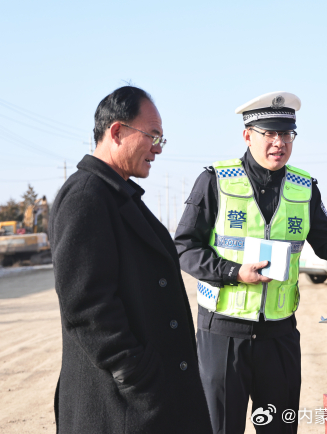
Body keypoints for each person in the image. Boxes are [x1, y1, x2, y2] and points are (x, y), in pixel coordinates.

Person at [175, 91, 327, 434]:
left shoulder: (304, 187)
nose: (279, 142)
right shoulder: (214, 181)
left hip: (278, 337)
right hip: (222, 333)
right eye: (270, 133)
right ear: (248, 135)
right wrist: (233, 273)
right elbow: (185, 247)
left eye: (287, 134)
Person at [49, 86, 211, 433]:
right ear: (117, 131)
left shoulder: (119, 194)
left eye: (162, 139)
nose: (157, 148)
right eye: (152, 135)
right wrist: (138, 376)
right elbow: (87, 308)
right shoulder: (86, 197)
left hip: (143, 402)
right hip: (121, 407)